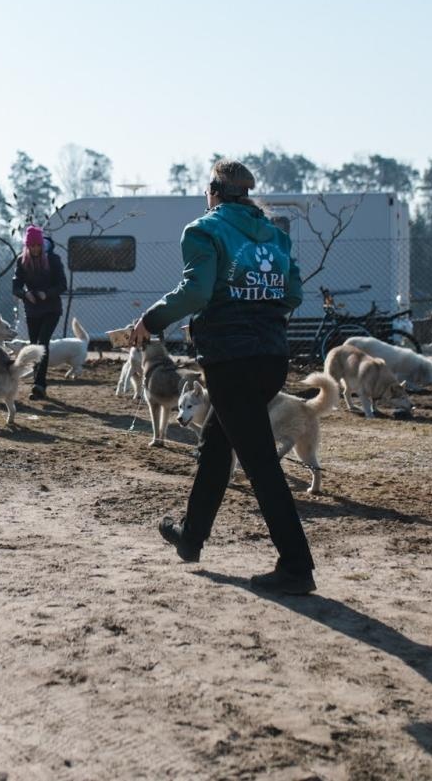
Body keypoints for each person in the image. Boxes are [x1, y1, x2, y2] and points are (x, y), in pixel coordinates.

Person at [131, 159, 315, 596]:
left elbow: (195, 292)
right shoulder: (276, 234)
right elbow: (293, 293)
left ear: (213, 190)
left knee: (261, 465)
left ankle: (296, 565)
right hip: (271, 356)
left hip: (231, 360)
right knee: (217, 442)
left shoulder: (204, 230)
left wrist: (150, 320)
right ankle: (191, 537)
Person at [12, 224, 67, 400]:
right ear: (27, 246)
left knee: (43, 343)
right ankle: (37, 382)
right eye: (31, 246)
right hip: (32, 310)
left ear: (42, 245)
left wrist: (47, 293)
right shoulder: (22, 261)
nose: (35, 249)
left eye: (37, 245)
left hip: (51, 309)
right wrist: (25, 294)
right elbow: (15, 286)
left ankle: (39, 385)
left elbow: (62, 285)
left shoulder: (53, 260)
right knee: (34, 345)